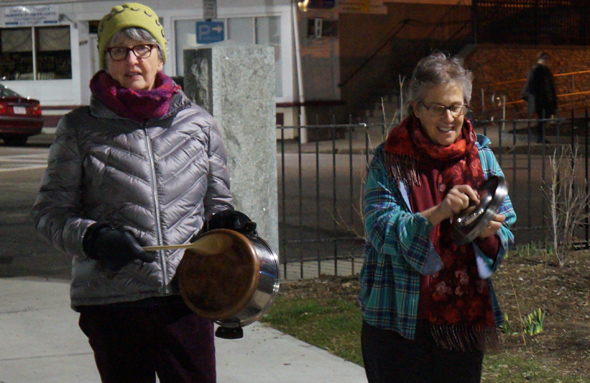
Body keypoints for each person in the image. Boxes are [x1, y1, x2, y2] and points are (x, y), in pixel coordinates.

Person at [31, 3, 255, 382]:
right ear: (105, 59)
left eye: (142, 48)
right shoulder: (78, 128)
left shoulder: (198, 124)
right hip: (112, 300)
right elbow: (49, 213)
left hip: (186, 297)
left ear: (159, 55)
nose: (131, 60)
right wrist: (94, 238)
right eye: (118, 50)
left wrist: (227, 224)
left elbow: (217, 203)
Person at [359, 51, 516, 383]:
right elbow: (380, 230)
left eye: (456, 106)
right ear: (416, 108)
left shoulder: (482, 155)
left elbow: (507, 225)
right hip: (399, 319)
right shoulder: (390, 160)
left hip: (463, 320)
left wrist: (486, 233)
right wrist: (438, 213)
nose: (449, 118)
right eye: (437, 107)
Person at [521, 51, 557, 143]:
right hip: (541, 99)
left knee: (544, 118)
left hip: (545, 98)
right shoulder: (537, 70)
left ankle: (540, 136)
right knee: (542, 118)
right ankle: (539, 136)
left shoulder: (545, 70)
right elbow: (531, 84)